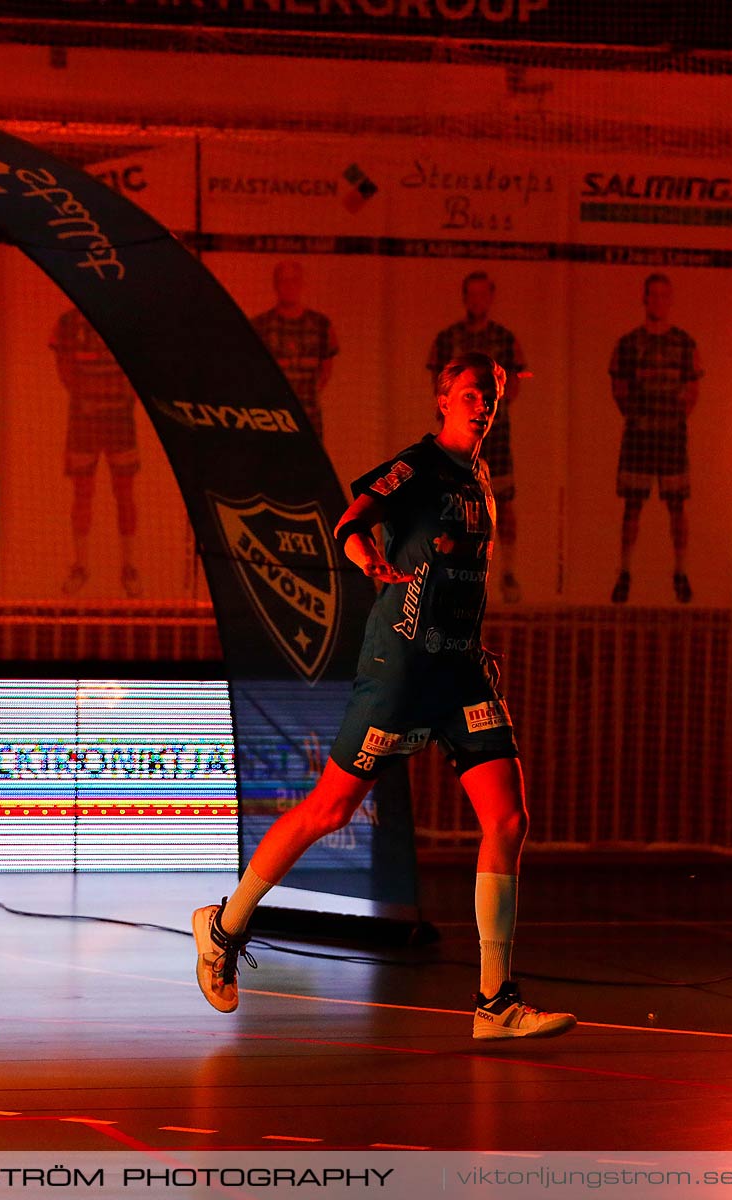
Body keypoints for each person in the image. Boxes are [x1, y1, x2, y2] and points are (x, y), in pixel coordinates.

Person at [191, 352, 575, 1040]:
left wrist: (469, 637)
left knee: (509, 820)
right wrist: (367, 555)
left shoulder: (481, 477)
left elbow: (456, 573)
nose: (480, 404)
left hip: (460, 670)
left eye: (489, 395)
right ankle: (223, 926)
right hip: (399, 666)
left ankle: (495, 1002)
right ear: (442, 400)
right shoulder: (420, 467)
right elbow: (351, 519)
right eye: (467, 394)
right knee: (330, 810)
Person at [426, 272, 526, 603]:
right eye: (471, 294)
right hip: (457, 444)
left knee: (504, 503)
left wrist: (492, 399)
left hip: (497, 442)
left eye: (483, 295)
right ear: (465, 297)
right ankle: (449, 576)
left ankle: (508, 572)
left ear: (491, 297)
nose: (477, 301)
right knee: (452, 505)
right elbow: (436, 381)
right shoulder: (448, 338)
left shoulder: (505, 339)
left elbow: (516, 383)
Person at [609, 273, 703, 605]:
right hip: (638, 436)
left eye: (665, 296)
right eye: (654, 295)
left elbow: (693, 391)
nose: (659, 301)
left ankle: (680, 573)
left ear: (669, 300)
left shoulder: (684, 343)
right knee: (632, 506)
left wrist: (671, 418)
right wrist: (639, 417)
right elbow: (618, 388)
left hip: (672, 437)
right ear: (645, 299)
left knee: (677, 507)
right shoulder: (629, 344)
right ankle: (624, 573)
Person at [50, 308, 142, 597]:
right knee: (82, 492)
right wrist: (84, 395)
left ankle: (129, 567)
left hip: (119, 420)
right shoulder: (66, 322)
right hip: (83, 420)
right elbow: (62, 365)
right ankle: (80, 566)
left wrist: (125, 397)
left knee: (125, 493)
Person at [250, 261, 339, 439]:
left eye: (293, 281)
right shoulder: (260, 325)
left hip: (309, 416)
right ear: (275, 285)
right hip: (271, 417)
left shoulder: (320, 324)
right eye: (283, 281)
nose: (288, 286)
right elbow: (252, 370)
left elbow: (326, 369)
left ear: (301, 284)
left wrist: (306, 394)